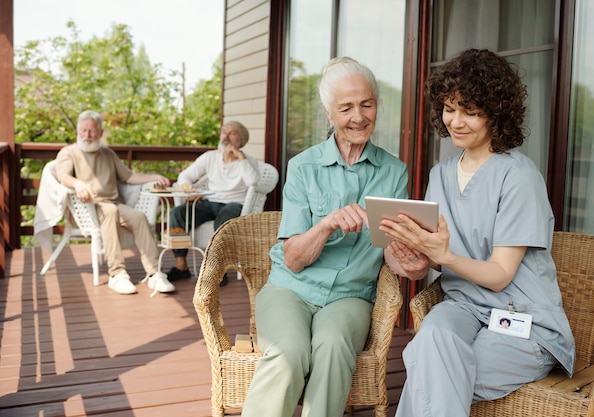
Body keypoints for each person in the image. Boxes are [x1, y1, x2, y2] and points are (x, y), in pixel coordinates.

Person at [377, 49, 575, 417]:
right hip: (462, 308)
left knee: (431, 367)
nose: (456, 121)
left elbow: (500, 276)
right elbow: (434, 256)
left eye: (471, 111)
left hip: (523, 322)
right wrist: (414, 259)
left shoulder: (519, 176)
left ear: (496, 114)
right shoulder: (440, 174)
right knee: (433, 340)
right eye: (450, 109)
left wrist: (443, 256)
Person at [240, 57, 429, 417]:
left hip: (351, 296)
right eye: (346, 108)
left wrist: (410, 264)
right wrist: (326, 225)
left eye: (367, 104)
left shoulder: (394, 171)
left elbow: (388, 246)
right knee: (289, 351)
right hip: (290, 289)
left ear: (377, 106)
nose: (358, 117)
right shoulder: (303, 167)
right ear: (329, 114)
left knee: (332, 347)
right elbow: (293, 259)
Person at [55, 110, 175, 295]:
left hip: (113, 203)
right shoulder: (69, 152)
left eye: (92, 131)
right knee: (110, 211)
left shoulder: (107, 153)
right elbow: (63, 176)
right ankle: (117, 274)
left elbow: (128, 176)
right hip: (89, 206)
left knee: (139, 217)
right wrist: (78, 183)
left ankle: (154, 273)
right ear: (78, 131)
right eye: (83, 130)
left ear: (100, 133)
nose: (87, 135)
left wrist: (154, 176)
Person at [165, 121, 260, 285]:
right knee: (177, 213)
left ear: (241, 139)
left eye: (232, 133)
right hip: (210, 202)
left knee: (222, 222)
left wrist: (240, 157)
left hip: (234, 204)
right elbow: (185, 176)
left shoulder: (248, 161)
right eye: (224, 132)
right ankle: (181, 267)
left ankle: (218, 270)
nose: (226, 136)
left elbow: (253, 181)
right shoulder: (210, 157)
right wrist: (188, 188)